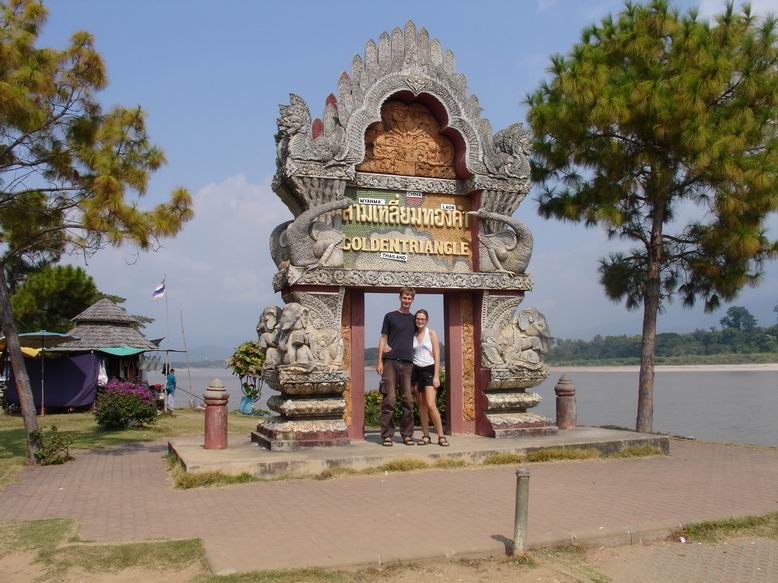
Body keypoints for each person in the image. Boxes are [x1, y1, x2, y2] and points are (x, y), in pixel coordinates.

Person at [376, 288, 416, 446]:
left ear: (412, 300)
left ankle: (407, 434)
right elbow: (383, 338)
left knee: (407, 399)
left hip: (407, 362)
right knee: (389, 399)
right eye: (405, 297)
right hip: (390, 361)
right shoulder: (390, 316)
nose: (407, 300)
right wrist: (379, 360)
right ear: (400, 298)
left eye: (409, 298)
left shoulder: (414, 319)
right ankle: (387, 435)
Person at [411, 309, 448, 446]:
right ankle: (426, 436)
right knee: (421, 405)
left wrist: (437, 375)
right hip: (416, 371)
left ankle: (441, 436)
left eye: (422, 319)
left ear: (426, 320)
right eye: (418, 319)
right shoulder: (413, 334)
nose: (420, 321)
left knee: (431, 404)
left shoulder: (431, 333)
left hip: (429, 370)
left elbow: (437, 355)